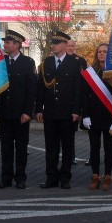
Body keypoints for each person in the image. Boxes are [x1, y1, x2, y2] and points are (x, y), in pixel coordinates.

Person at [35, 30, 82, 189]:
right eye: (52, 43)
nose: (53, 46)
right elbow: (40, 88)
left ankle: (65, 177)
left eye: (56, 43)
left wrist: (76, 110)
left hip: (67, 112)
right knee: (51, 146)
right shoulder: (46, 63)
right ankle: (51, 177)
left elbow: (78, 90)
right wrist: (38, 109)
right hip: (50, 112)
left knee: (67, 147)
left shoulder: (75, 63)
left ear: (64, 44)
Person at [0, 30, 36, 189]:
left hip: (21, 114)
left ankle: (20, 177)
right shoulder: (2, 62)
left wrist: (28, 112)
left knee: (20, 147)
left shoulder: (28, 62)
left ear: (17, 44)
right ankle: (6, 177)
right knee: (5, 147)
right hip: (5, 112)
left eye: (8, 42)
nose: (5, 44)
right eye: (5, 42)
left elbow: (31, 90)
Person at [81, 43, 112, 191]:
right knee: (94, 147)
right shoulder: (90, 73)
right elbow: (84, 96)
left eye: (105, 51)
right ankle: (95, 175)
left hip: (109, 116)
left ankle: (108, 176)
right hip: (93, 116)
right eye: (100, 51)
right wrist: (85, 115)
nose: (102, 54)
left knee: (109, 148)